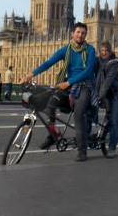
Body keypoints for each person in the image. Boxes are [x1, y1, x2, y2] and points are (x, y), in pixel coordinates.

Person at [22, 22, 96, 162]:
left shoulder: (90, 50)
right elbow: (48, 63)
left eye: (83, 33)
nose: (80, 35)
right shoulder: (66, 50)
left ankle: (82, 150)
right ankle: (53, 135)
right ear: (72, 33)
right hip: (69, 83)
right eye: (78, 32)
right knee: (50, 104)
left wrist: (68, 82)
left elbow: (88, 71)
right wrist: (31, 74)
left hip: (85, 85)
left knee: (78, 115)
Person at [95, 41, 118, 158]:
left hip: (115, 95)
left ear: (110, 51)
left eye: (106, 50)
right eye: (102, 50)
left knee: (113, 122)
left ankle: (112, 148)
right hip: (105, 95)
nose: (104, 53)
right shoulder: (97, 61)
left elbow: (107, 83)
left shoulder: (113, 63)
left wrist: (98, 96)